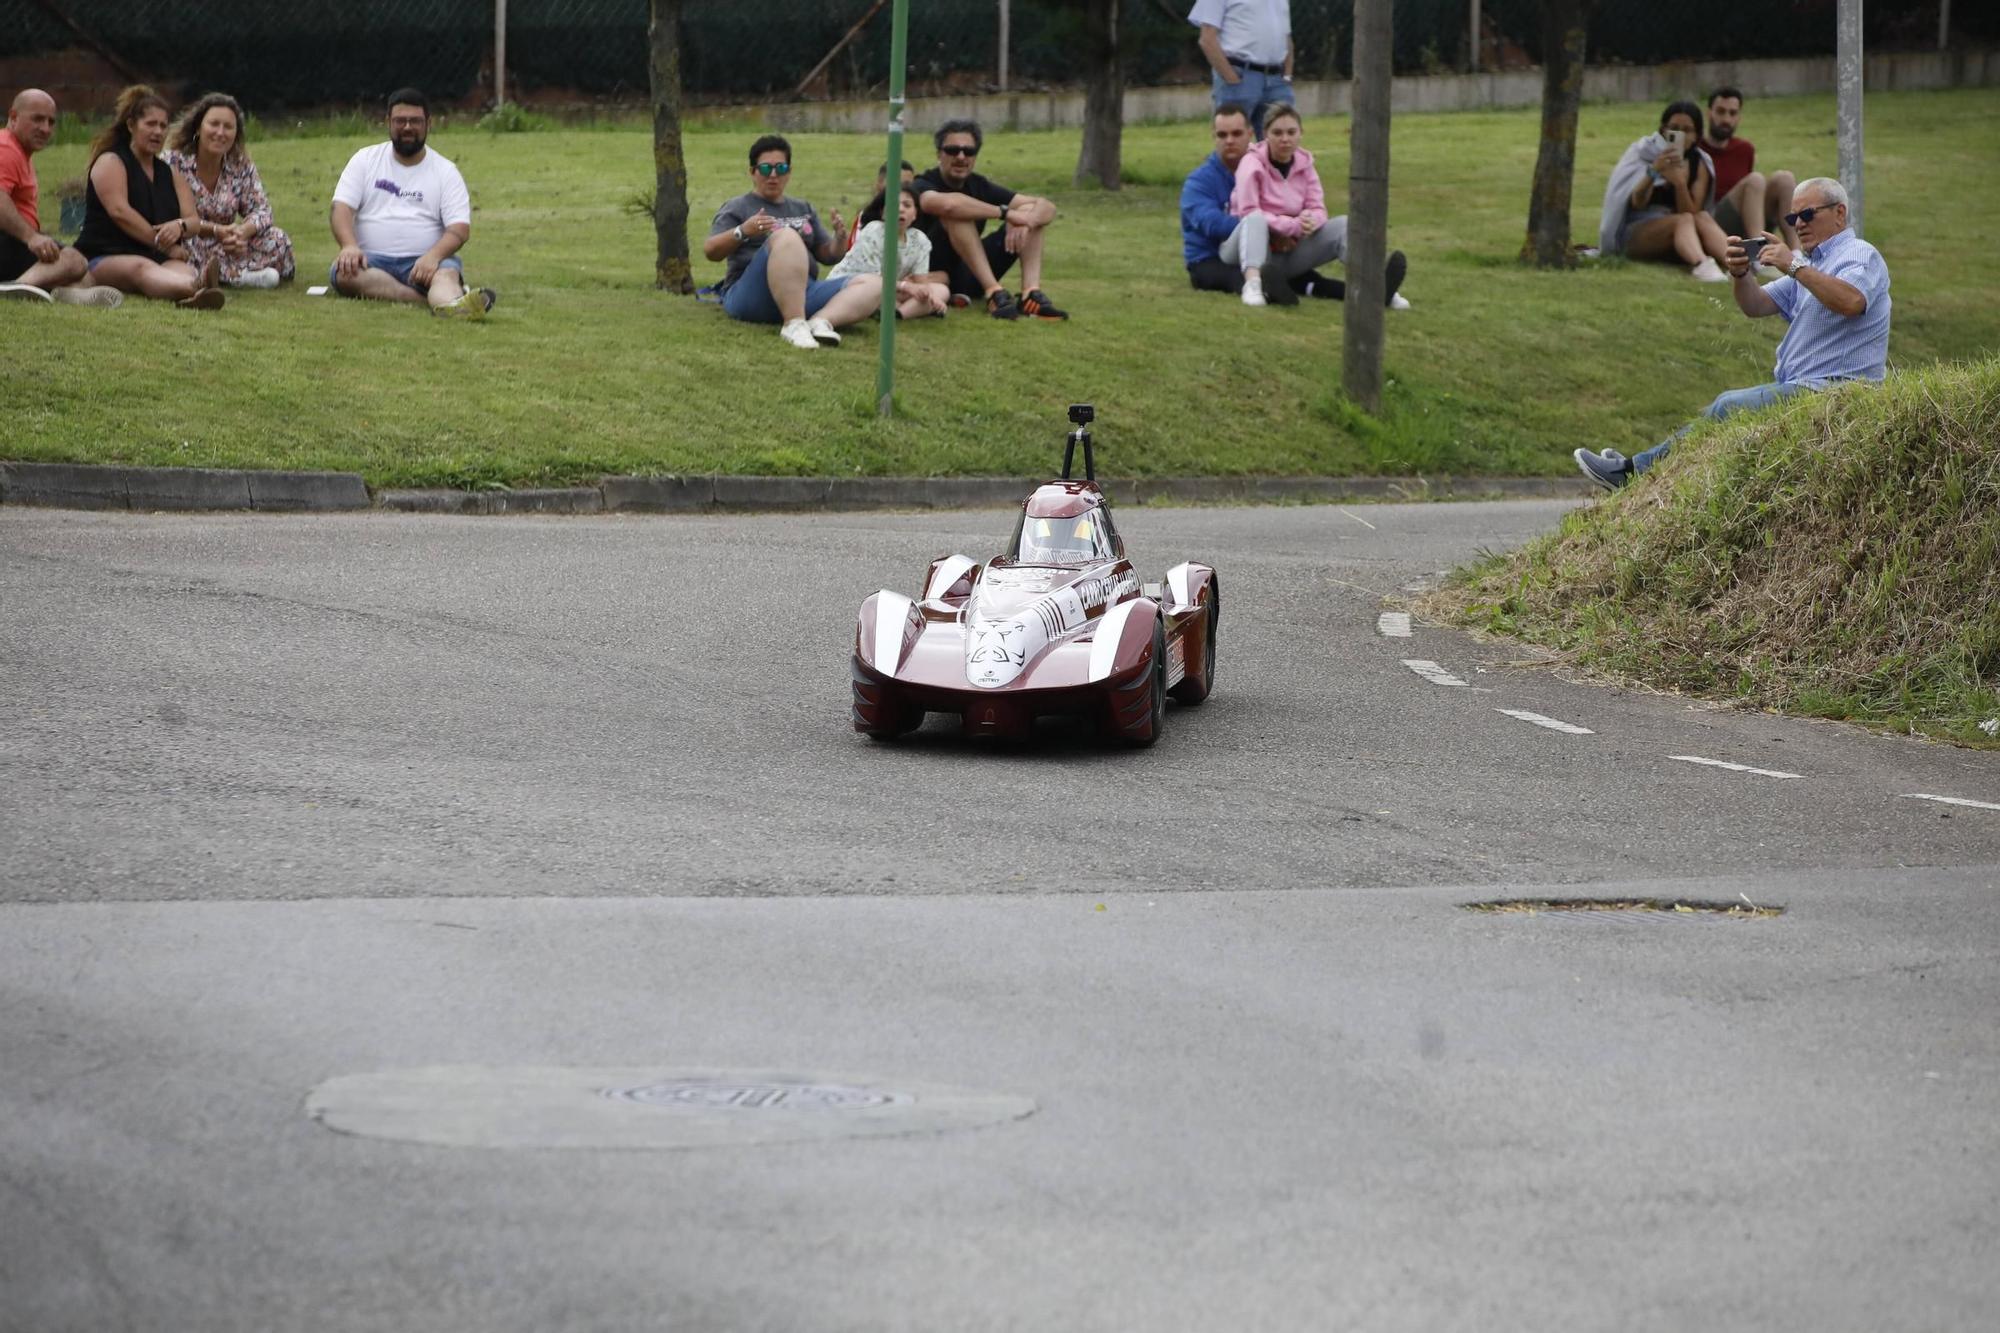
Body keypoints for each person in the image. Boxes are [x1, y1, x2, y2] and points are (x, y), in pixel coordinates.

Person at [1574, 178, 1890, 491]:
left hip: (1839, 392)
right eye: (1792, 219)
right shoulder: (1811, 266)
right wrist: (1740, 274)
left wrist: (1792, 265)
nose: (1799, 225)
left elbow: (1851, 301)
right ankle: (1650, 476)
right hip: (1805, 389)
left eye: (1807, 215)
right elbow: (1755, 304)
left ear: (1839, 213)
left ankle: (1634, 473)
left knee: (1728, 406)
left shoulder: (1858, 255)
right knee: (1724, 407)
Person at [1183, 102, 1403, 307]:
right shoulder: (1200, 180)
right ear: (1214, 137)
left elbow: (1312, 206)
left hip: (1277, 250)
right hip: (1212, 259)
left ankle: (1375, 288)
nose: (1229, 140)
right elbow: (1210, 222)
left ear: (1251, 134)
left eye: (1237, 133)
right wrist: (1274, 232)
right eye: (1222, 135)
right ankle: (1264, 290)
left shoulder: (1285, 164)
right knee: (1245, 271)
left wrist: (1306, 223)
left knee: (1310, 278)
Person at [703, 134, 880, 350]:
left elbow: (828, 255)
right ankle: (794, 324)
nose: (774, 175)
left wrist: (840, 239)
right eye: (766, 169)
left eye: (781, 168)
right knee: (786, 236)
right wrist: (743, 231)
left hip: (803, 291)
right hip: (751, 294)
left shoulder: (802, 208)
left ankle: (820, 321)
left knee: (875, 283)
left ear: (789, 171)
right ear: (753, 172)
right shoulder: (737, 207)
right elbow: (711, 251)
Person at [330, 88, 493, 317]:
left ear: (429, 123)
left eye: (415, 121)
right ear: (388, 122)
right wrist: (349, 246)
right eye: (400, 121)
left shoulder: (446, 171)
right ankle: (428, 300)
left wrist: (433, 257)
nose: (407, 127)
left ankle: (455, 306)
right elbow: (341, 208)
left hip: (426, 261)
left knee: (444, 276)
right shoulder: (364, 160)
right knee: (344, 273)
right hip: (371, 261)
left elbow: (459, 229)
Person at [75, 85, 224, 310]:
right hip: (103, 256)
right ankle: (197, 287)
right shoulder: (111, 162)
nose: (158, 132)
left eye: (163, 126)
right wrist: (164, 247)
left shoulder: (169, 172)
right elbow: (120, 212)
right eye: (151, 124)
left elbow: (193, 220)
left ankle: (194, 289)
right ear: (131, 125)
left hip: (155, 256)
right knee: (141, 268)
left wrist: (180, 226)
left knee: (181, 269)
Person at [913, 119, 1067, 321]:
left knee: (1030, 211)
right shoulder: (922, 183)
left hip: (970, 272)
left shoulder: (979, 184)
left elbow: (1047, 207)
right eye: (952, 150)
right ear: (939, 154)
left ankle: (1031, 294)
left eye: (969, 151)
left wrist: (1025, 220)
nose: (961, 157)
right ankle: (993, 292)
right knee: (959, 214)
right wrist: (1007, 214)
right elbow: (949, 205)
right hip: (936, 276)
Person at [163, 92, 295, 288]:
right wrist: (216, 230)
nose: (220, 132)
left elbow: (263, 211)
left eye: (228, 127)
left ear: (236, 134)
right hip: (190, 238)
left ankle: (229, 274)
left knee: (278, 239)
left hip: (229, 244)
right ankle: (239, 276)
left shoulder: (240, 165)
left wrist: (242, 233)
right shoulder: (172, 162)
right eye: (214, 124)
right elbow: (166, 216)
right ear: (199, 127)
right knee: (184, 248)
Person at [0, 88, 119, 304]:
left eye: (51, 122)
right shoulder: (5, 147)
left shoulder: (19, 151)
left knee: (86, 277)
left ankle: (57, 293)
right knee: (73, 260)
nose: (45, 128)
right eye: (37, 119)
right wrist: (32, 237)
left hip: (13, 244)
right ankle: (17, 289)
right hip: (7, 243)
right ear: (13, 117)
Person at [1599, 100, 1731, 281]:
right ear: (1663, 130)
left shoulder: (1699, 161)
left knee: (1701, 217)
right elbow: (1637, 203)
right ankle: (1701, 265)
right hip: (1636, 230)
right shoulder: (1645, 152)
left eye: (1687, 130)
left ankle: (1738, 264)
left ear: (1696, 135)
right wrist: (1654, 172)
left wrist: (1680, 184)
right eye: (1674, 128)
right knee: (1682, 221)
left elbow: (1692, 213)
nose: (1680, 135)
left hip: (1679, 231)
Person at [829, 183, 948, 320]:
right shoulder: (873, 232)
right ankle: (905, 309)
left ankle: (898, 314)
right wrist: (906, 287)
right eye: (894, 204)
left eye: (907, 205)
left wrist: (930, 296)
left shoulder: (920, 240)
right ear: (883, 213)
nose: (900, 209)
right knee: (883, 296)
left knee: (941, 290)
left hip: (889, 289)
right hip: (855, 287)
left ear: (915, 214)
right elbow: (873, 280)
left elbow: (921, 283)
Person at [1702, 86, 1799, 253]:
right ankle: (1758, 254)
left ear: (1739, 117)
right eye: (1721, 112)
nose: (1726, 119)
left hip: (1746, 219)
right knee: (1755, 179)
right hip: (1712, 221)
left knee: (1785, 179)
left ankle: (1797, 253)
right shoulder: (1697, 148)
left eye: (1732, 113)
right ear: (1709, 113)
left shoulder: (1744, 149)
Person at [1188, 0, 1293, 138]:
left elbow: (1286, 36)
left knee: (1280, 147)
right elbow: (1207, 38)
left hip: (1277, 80)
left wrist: (1287, 75)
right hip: (1240, 77)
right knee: (1234, 147)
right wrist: (1231, 77)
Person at [847, 159, 913, 254]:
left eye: (907, 185)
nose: (902, 189)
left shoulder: (913, 219)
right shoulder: (866, 222)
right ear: (879, 184)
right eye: (895, 183)